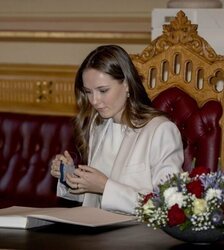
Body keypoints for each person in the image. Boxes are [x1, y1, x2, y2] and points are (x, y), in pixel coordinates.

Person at [50, 45, 184, 214]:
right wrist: (71, 178)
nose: (94, 101)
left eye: (103, 90)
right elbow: (93, 199)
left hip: (139, 234)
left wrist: (105, 186)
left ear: (127, 84)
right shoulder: (98, 126)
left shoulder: (161, 130)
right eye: (88, 92)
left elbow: (167, 205)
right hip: (95, 230)